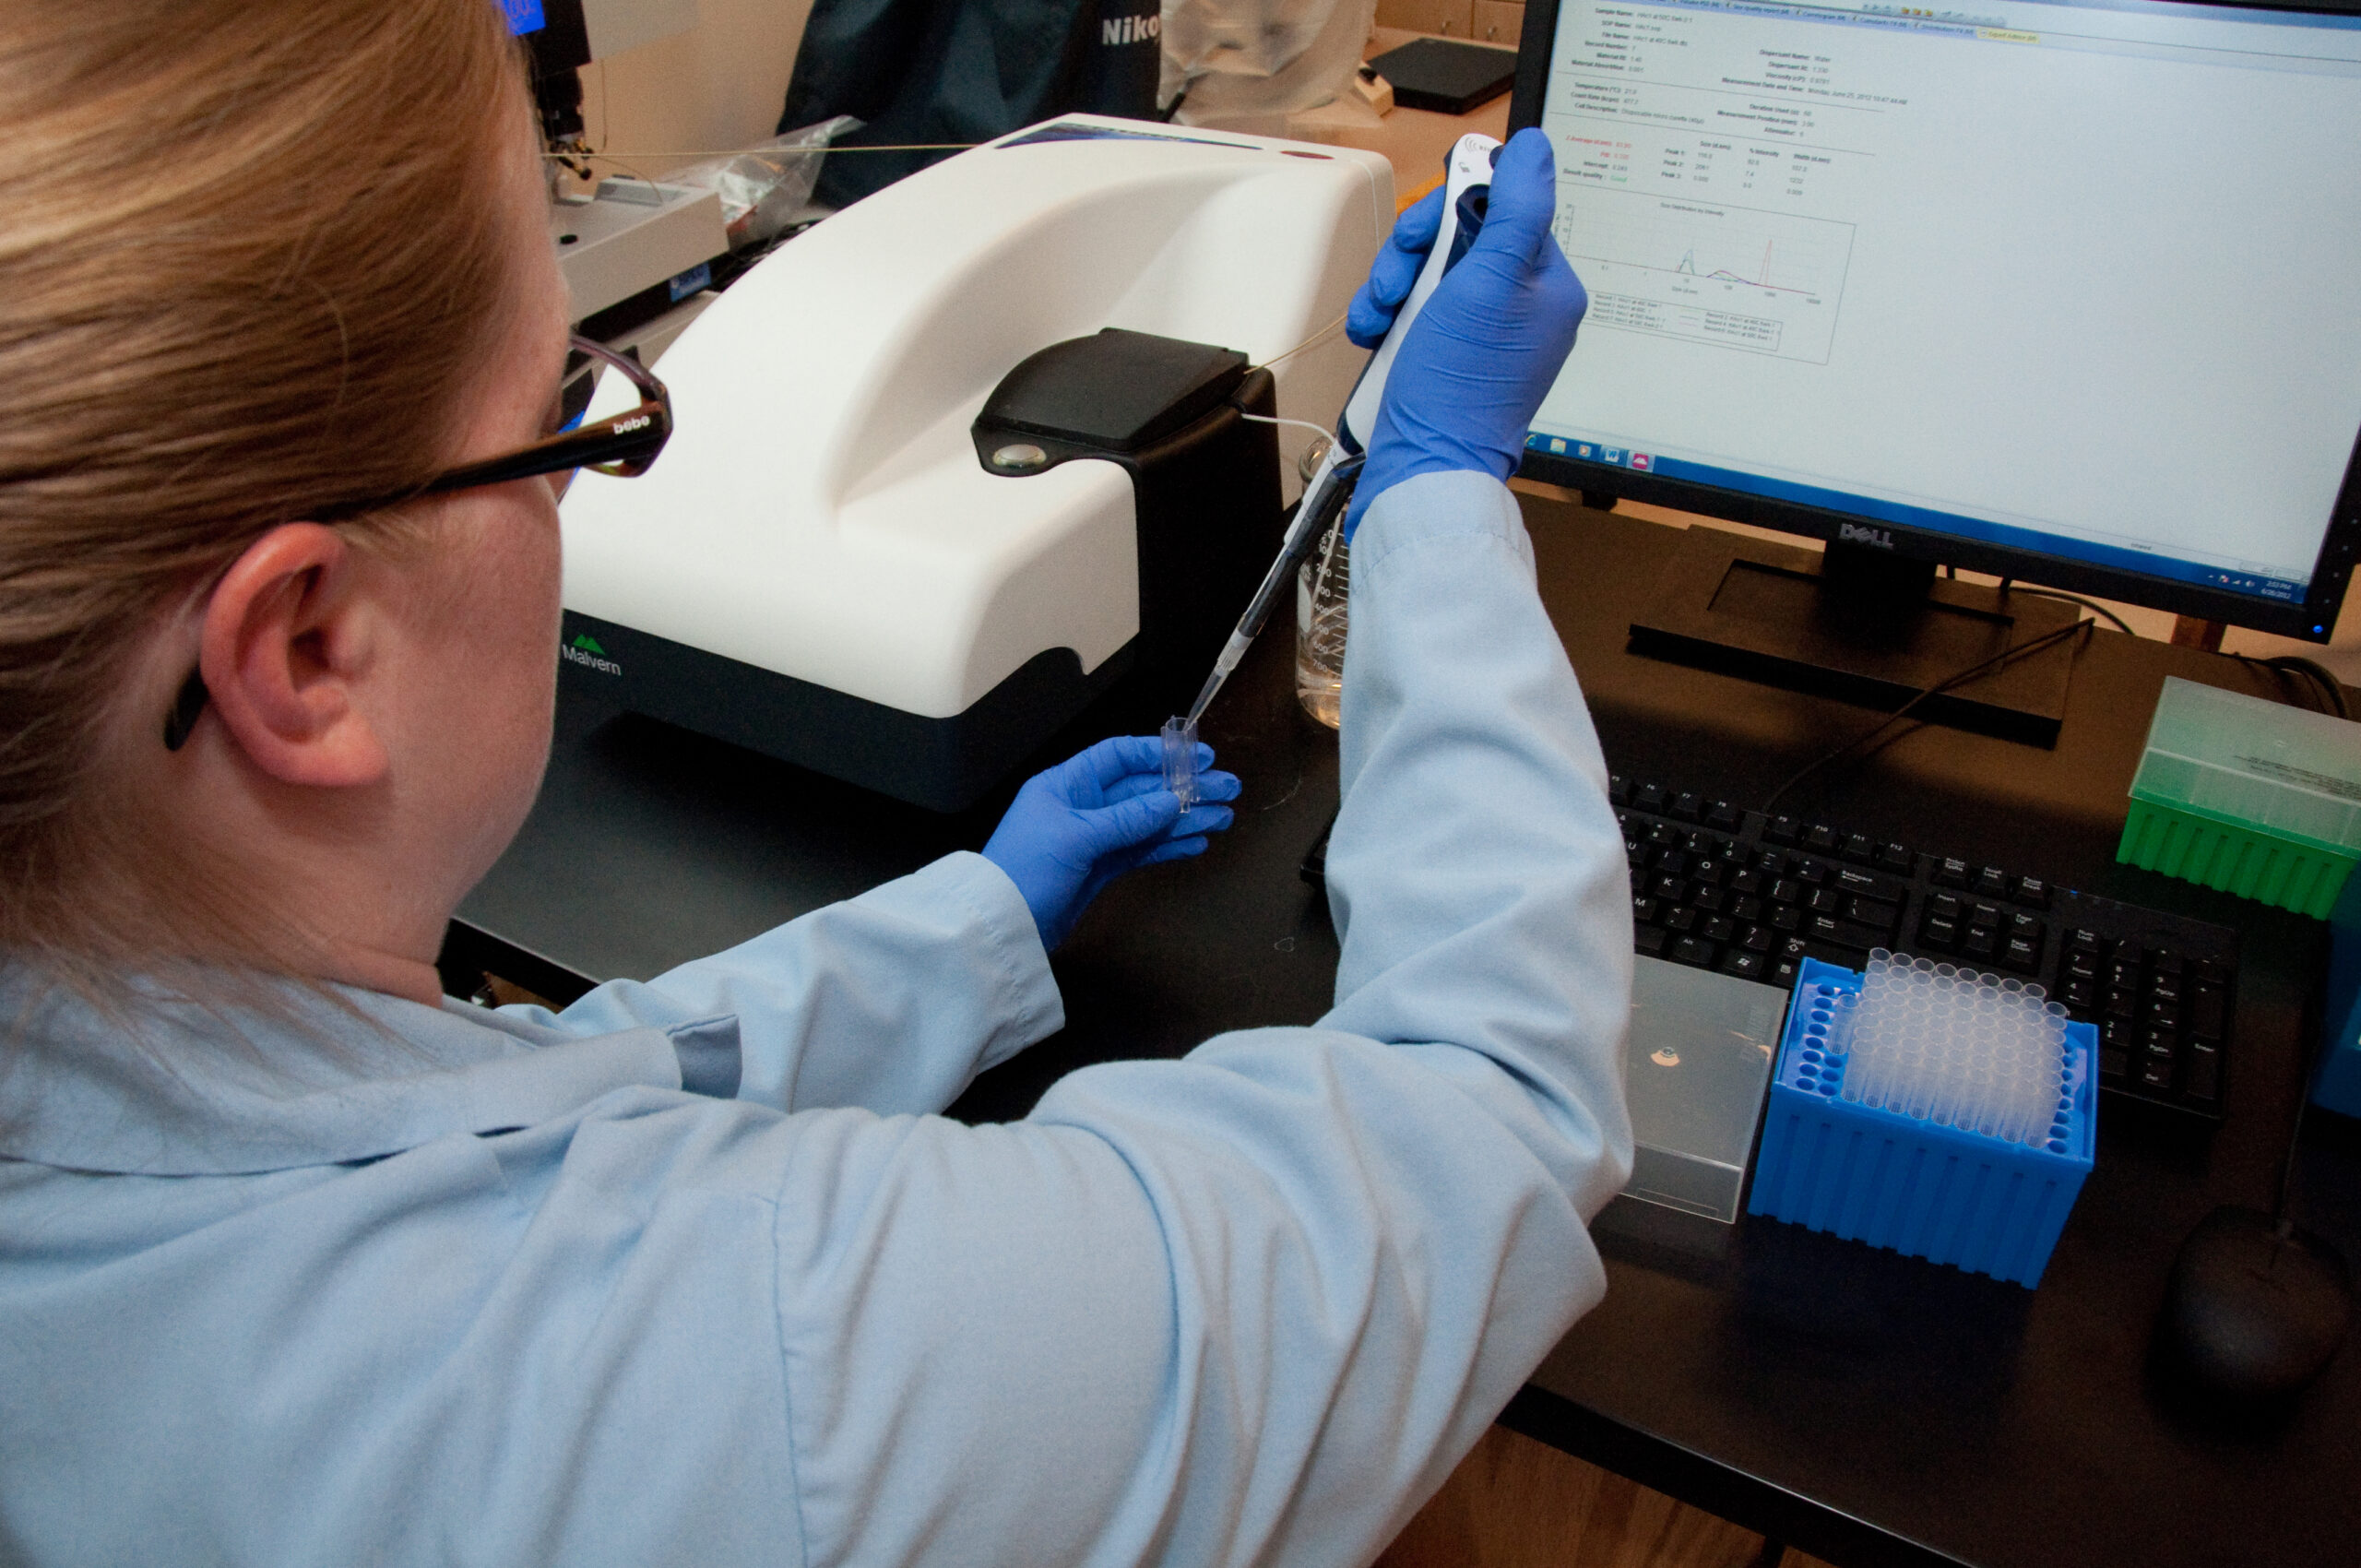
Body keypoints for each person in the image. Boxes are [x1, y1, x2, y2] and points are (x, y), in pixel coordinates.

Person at [0, 0, 1628, 1562]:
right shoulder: (764, 1363)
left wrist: (979, 916)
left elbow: (536, 1095)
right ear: (307, 651)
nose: (585, 472)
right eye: (562, 416)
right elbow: (1488, 1120)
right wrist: (1437, 479)